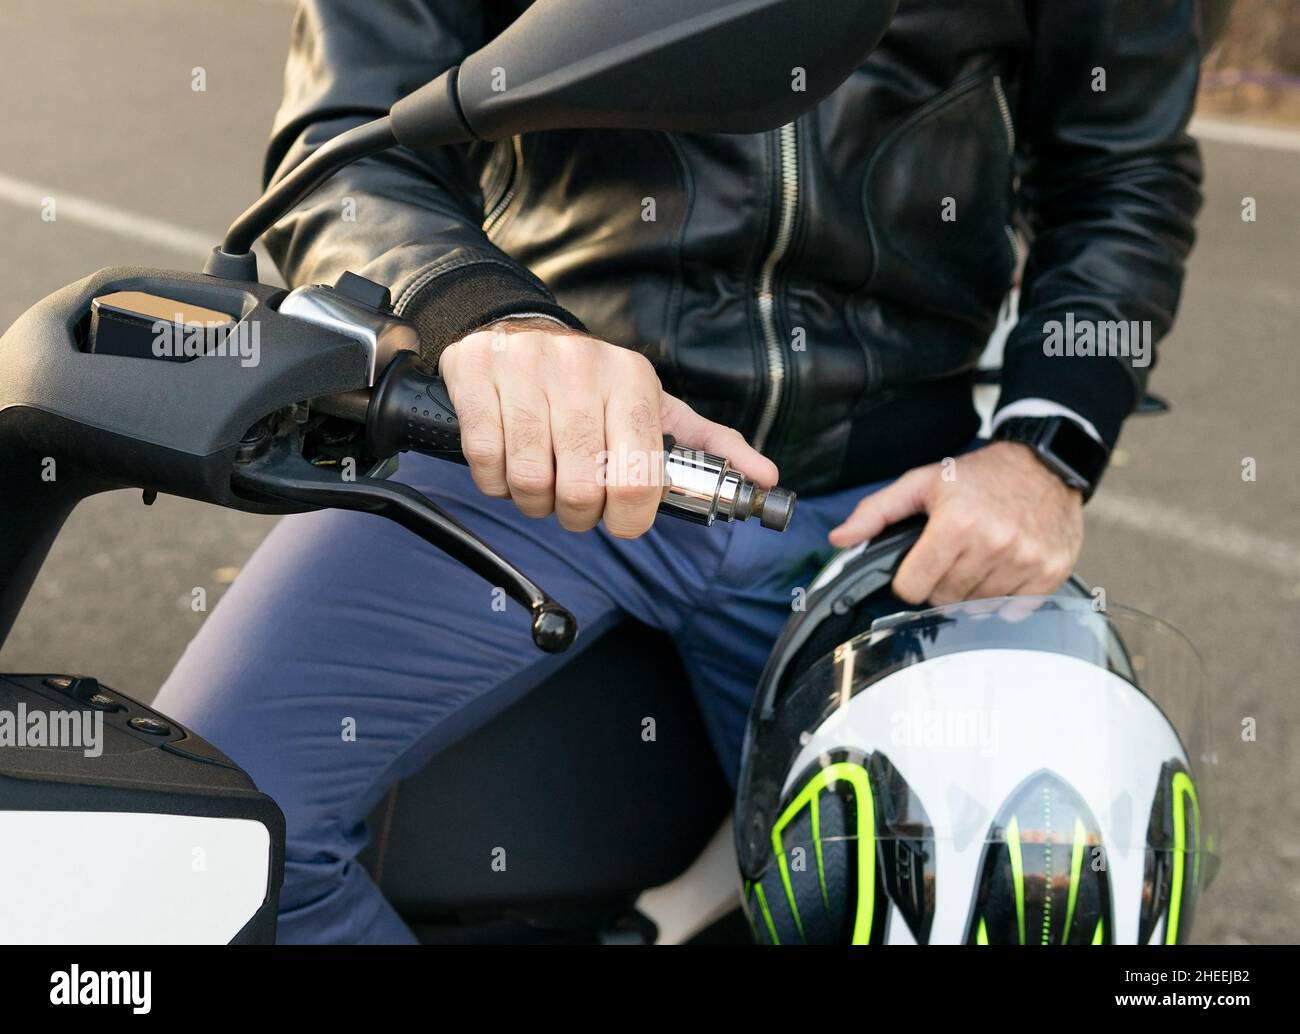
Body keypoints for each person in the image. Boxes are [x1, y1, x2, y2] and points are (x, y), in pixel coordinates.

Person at [155, 0, 1205, 942]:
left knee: (1032, 890)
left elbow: (1124, 167)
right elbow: (342, 139)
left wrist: (1044, 448)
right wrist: (483, 316)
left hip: (878, 494)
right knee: (202, 844)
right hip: (540, 438)